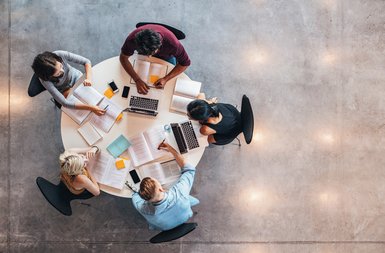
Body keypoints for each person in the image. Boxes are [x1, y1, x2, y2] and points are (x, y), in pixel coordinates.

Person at [132, 142, 199, 231]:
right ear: (160, 189)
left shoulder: (143, 209)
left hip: (165, 227)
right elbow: (189, 170)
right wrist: (172, 150)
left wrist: (139, 192)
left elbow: (135, 196)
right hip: (185, 216)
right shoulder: (180, 192)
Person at [120, 24, 191, 94]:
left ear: (159, 45)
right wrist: (137, 79)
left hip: (166, 56)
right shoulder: (132, 39)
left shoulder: (173, 44)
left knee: (168, 88)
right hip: (145, 53)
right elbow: (123, 58)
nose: (149, 57)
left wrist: (166, 79)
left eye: (152, 53)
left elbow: (185, 63)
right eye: (146, 54)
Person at [31, 50, 105, 115]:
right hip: (63, 90)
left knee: (96, 93)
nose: (62, 71)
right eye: (58, 73)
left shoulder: (59, 54)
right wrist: (90, 108)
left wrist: (88, 78)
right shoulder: (45, 80)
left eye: (61, 66)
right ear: (49, 77)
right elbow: (64, 103)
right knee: (81, 108)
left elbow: (86, 61)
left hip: (76, 77)